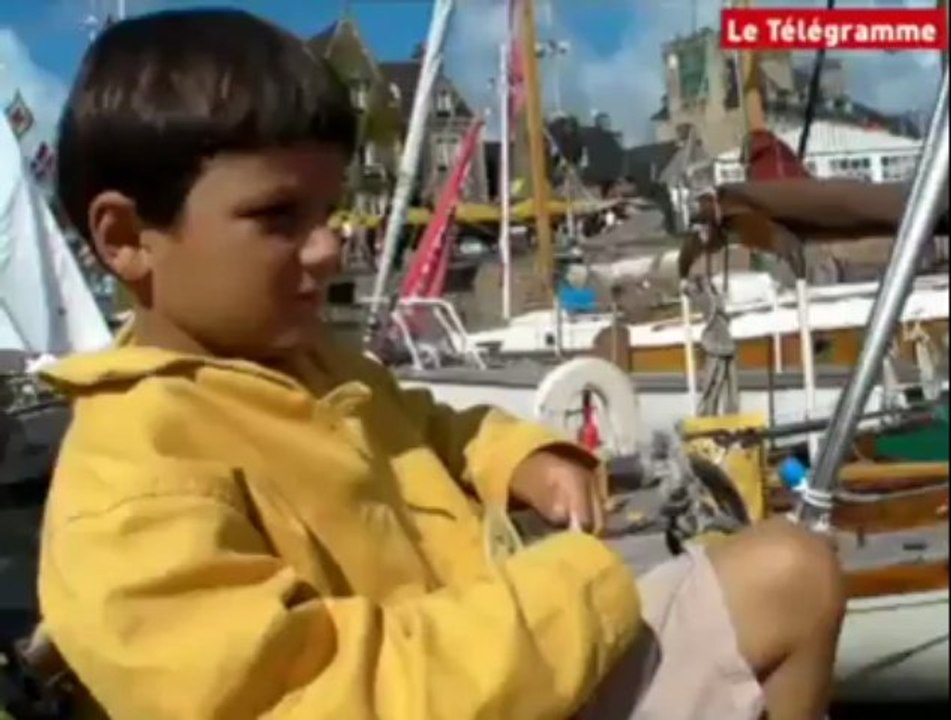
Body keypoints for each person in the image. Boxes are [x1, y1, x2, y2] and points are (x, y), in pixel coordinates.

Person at [36, 9, 845, 720]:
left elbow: (427, 428)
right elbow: (313, 698)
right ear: (125, 239)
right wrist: (572, 588)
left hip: (517, 667)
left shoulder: (312, 366)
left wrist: (517, 457)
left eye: (328, 210)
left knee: (794, 572)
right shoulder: (131, 483)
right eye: (278, 216)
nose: (327, 248)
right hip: (514, 659)